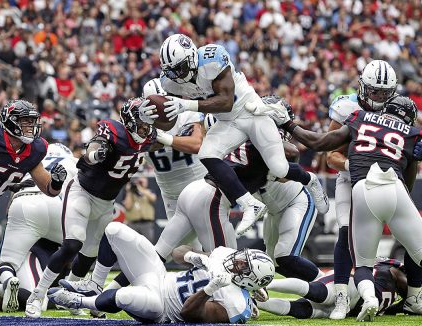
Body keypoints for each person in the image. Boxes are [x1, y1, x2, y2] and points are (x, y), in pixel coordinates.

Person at [281, 95, 422, 321]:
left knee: (363, 263)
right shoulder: (413, 134)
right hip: (395, 186)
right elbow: (408, 181)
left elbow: (319, 143)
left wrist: (288, 124)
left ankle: (370, 298)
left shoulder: (360, 118)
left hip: (363, 188)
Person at [142, 34, 328, 238]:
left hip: (249, 112)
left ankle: (309, 179)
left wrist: (185, 105)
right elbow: (168, 118)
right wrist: (149, 117)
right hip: (227, 122)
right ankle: (249, 204)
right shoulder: (170, 83)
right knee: (207, 154)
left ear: (192, 56)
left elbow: (226, 102)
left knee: (279, 168)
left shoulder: (212, 58)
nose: (177, 75)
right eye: (172, 70)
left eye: (180, 68)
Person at [325, 60, 422, 318]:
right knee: (346, 231)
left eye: (385, 93)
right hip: (351, 178)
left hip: (388, 180)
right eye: (374, 91)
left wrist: (418, 151)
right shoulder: (346, 107)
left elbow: (409, 149)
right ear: (363, 87)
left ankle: (414, 298)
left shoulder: (398, 108)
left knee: (412, 235)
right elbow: (330, 156)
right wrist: (353, 166)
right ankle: (341, 298)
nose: (379, 97)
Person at [25, 97, 157, 318]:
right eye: (142, 124)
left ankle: (71, 299)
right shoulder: (114, 131)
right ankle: (37, 295)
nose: (145, 130)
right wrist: (94, 154)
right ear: (130, 121)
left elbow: (159, 139)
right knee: (71, 245)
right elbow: (94, 147)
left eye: (147, 125)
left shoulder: (148, 137)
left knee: (88, 256)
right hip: (83, 192)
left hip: (107, 202)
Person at [47, 221, 275, 324]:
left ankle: (80, 301)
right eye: (242, 258)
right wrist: (196, 257)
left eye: (243, 266)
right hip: (159, 276)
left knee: (126, 296)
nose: (237, 261)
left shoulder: (235, 305)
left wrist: (210, 289)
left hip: (161, 310)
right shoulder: (223, 256)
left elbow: (188, 315)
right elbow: (177, 252)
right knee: (114, 230)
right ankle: (94, 284)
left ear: (249, 279)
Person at [0, 100, 67, 291]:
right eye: (25, 121)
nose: (30, 127)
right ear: (10, 121)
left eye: (32, 122)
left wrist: (56, 181)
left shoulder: (35, 149)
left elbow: (49, 190)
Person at [0, 143, 78, 313]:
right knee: (79, 245)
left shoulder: (31, 158)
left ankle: (6, 281)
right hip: (59, 204)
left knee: (5, 263)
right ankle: (74, 289)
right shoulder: (73, 162)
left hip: (24, 201)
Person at [257, 258, 414, 319]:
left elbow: (398, 307)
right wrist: (414, 297)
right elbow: (407, 289)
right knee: (317, 292)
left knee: (301, 310)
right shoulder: (392, 271)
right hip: (346, 286)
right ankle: (262, 285)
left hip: (348, 308)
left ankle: (252, 303)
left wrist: (406, 306)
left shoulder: (389, 295)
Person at [141, 78, 207, 220]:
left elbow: (197, 144)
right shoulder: (141, 126)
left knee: (212, 239)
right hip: (171, 197)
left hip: (200, 186)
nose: (169, 103)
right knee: (181, 243)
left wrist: (166, 139)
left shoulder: (186, 115)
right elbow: (141, 147)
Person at [123, 177, 157, 243]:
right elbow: (128, 206)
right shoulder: (130, 193)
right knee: (132, 243)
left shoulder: (149, 191)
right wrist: (129, 191)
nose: (140, 184)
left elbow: (153, 198)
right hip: (132, 224)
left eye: (142, 182)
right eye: (139, 182)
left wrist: (140, 188)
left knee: (148, 243)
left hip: (146, 223)